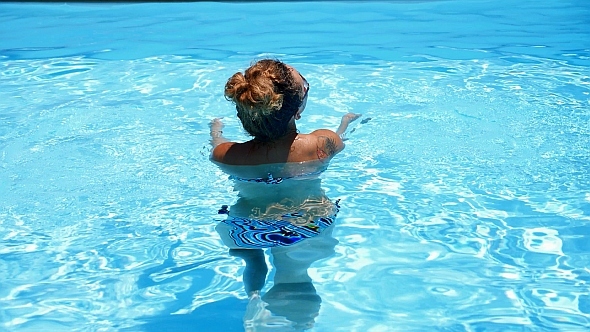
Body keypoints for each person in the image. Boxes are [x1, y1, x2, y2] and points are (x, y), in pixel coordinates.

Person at [209, 58, 360, 179]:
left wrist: (215, 131)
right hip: (311, 214)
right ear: (297, 111)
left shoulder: (225, 156)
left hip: (247, 217)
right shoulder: (321, 143)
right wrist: (344, 123)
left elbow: (217, 144)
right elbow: (339, 140)